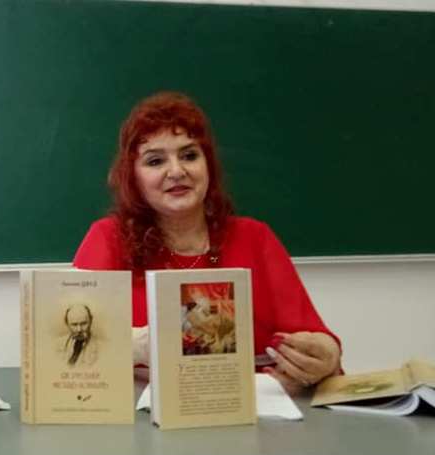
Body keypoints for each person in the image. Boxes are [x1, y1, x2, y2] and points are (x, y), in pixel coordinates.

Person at [74, 92, 341, 394]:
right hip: (143, 413)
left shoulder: (255, 237)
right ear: (133, 177)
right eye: (156, 161)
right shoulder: (107, 239)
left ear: (208, 166)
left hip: (254, 410)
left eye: (189, 156)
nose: (177, 171)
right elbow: (66, 352)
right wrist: (134, 345)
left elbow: (316, 338)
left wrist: (327, 355)